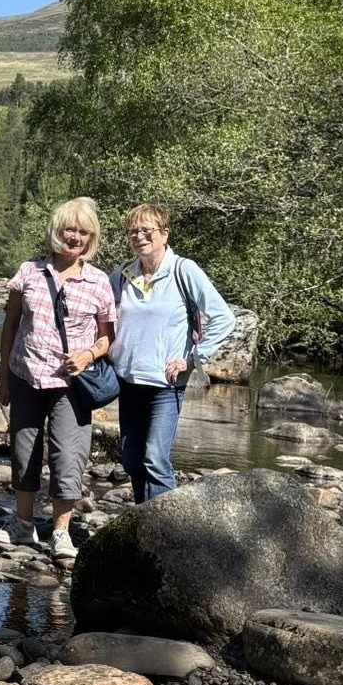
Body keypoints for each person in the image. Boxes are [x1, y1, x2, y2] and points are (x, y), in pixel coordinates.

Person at [0, 197, 117, 561]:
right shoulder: (29, 272)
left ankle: (61, 532)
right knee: (23, 449)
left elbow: (108, 336)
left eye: (82, 231)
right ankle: (23, 523)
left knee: (68, 454)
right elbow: (11, 324)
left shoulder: (98, 282)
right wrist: (3, 378)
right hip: (25, 374)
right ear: (56, 231)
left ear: (90, 237)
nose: (74, 236)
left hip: (71, 383)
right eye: (69, 229)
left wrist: (88, 355)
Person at [107, 203, 236, 503]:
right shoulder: (123, 274)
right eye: (133, 231)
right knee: (131, 459)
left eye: (146, 230)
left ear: (165, 233)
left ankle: (166, 532)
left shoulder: (183, 270)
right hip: (128, 381)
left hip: (167, 384)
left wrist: (193, 358)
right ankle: (144, 520)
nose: (139, 236)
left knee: (155, 458)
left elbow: (224, 318)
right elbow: (103, 316)